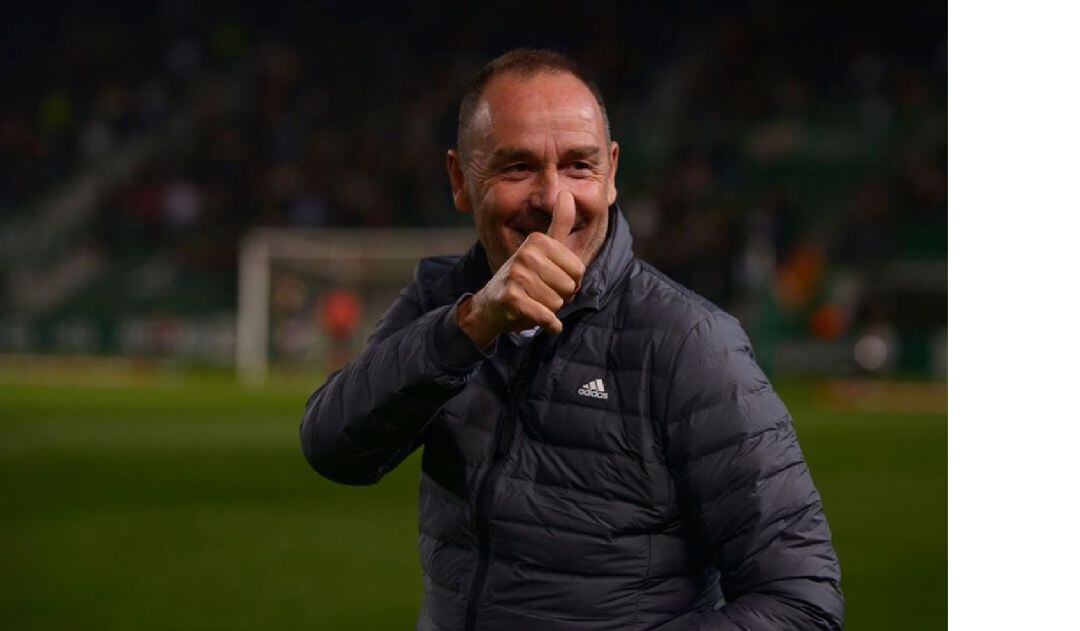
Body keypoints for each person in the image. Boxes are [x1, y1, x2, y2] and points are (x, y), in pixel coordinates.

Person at [301, 49, 844, 630]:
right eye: (517, 167)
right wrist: (472, 325)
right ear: (461, 180)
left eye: (579, 166)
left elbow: (801, 602)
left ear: (611, 174)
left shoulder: (688, 343)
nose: (553, 198)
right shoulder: (444, 302)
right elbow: (334, 446)